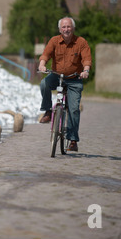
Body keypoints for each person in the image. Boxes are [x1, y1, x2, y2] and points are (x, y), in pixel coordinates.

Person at [38, 17, 92, 152]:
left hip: (74, 79)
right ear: (60, 29)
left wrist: (86, 70)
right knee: (44, 84)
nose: (66, 29)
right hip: (57, 76)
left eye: (68, 27)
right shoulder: (54, 41)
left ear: (73, 28)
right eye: (64, 27)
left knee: (74, 109)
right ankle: (48, 111)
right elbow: (46, 54)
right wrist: (42, 64)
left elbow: (86, 59)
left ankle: (73, 140)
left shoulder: (81, 42)